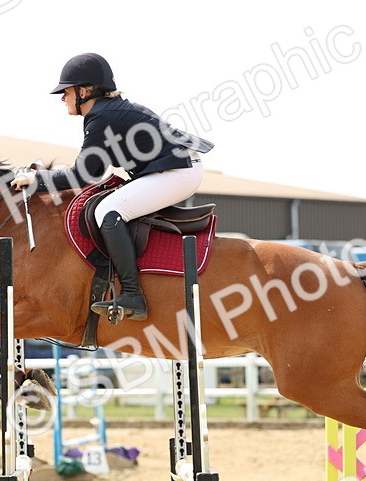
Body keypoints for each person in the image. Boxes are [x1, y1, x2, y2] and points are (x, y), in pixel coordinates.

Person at [11, 53, 214, 322]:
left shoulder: (100, 117)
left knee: (108, 212)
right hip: (177, 168)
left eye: (66, 92)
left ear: (84, 92)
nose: (63, 98)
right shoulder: (109, 111)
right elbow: (97, 171)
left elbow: (84, 174)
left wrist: (37, 181)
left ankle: (132, 294)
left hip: (178, 172)